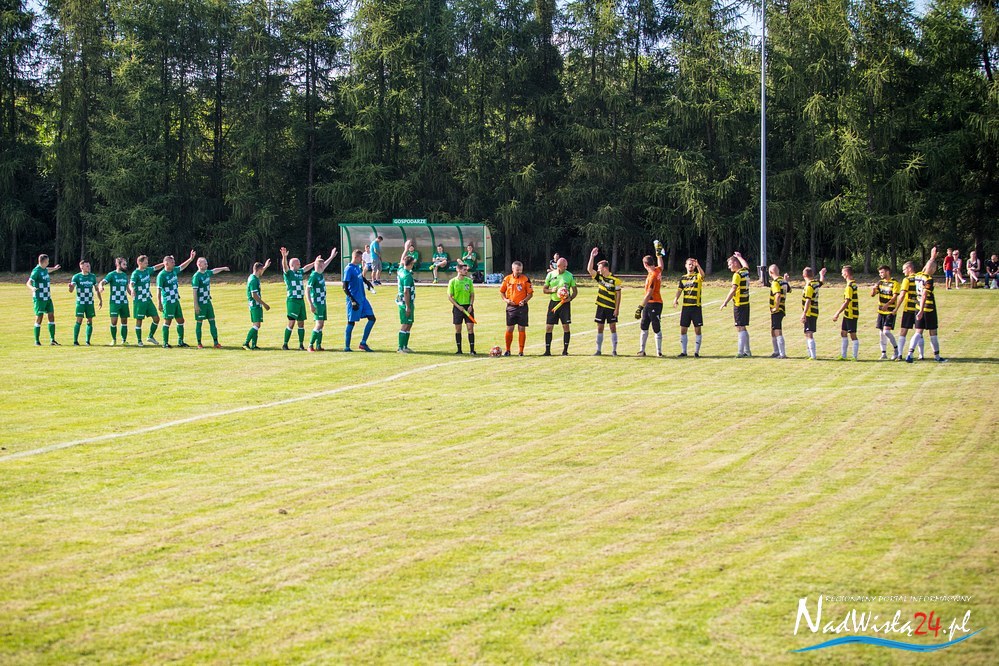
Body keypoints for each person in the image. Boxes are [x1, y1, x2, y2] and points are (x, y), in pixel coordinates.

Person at [906, 247, 946, 363]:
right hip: (928, 308)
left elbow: (926, 268)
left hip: (917, 306)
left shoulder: (918, 275)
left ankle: (909, 354)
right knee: (933, 332)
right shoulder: (928, 279)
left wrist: (932, 257)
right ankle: (937, 356)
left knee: (918, 332)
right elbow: (924, 294)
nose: (935, 270)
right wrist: (922, 310)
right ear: (932, 269)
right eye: (935, 268)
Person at [156, 250, 197, 348]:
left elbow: (182, 266)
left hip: (175, 301)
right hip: (168, 301)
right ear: (166, 263)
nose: (174, 263)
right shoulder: (162, 275)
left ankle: (180, 342)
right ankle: (165, 343)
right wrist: (159, 303)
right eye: (172, 262)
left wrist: (190, 259)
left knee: (181, 321)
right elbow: (158, 290)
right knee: (168, 321)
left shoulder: (174, 270)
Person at [587, 247, 622, 356]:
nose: (598, 269)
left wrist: (617, 309)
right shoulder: (600, 278)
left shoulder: (615, 280)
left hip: (611, 307)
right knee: (600, 328)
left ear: (605, 268)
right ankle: (598, 350)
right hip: (601, 307)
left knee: (612, 327)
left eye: (599, 267)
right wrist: (592, 256)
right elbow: (589, 269)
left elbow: (618, 295)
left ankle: (614, 350)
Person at [191, 257, 231, 348]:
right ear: (199, 265)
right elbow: (194, 292)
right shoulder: (196, 276)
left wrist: (223, 268)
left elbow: (214, 270)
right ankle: (199, 343)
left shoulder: (206, 273)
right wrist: (196, 305)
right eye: (205, 263)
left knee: (212, 321)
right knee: (199, 323)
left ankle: (216, 343)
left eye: (206, 263)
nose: (207, 265)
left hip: (208, 302)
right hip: (200, 303)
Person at [343, 248, 376, 351]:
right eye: (360, 257)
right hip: (354, 299)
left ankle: (363, 343)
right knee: (351, 322)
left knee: (372, 318)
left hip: (363, 299)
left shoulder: (357, 267)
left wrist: (367, 282)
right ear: (356, 257)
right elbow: (344, 287)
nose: (362, 259)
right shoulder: (348, 269)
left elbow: (360, 277)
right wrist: (352, 300)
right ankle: (347, 347)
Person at [280, 246, 313, 351]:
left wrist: (314, 263)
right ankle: (285, 344)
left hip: (300, 300)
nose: (300, 265)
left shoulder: (299, 272)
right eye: (298, 263)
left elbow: (306, 268)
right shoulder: (289, 273)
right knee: (291, 322)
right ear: (293, 265)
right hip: (292, 300)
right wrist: (284, 257)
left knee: (301, 323)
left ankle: (301, 345)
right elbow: (285, 266)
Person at [543, 257, 577, 355]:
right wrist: (551, 290)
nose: (566, 268)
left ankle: (565, 350)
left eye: (566, 266)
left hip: (564, 304)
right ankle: (547, 351)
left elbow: (575, 291)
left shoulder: (569, 275)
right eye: (564, 266)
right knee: (549, 327)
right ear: (558, 266)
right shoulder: (550, 275)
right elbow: (544, 290)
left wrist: (570, 298)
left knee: (566, 326)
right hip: (553, 303)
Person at [720, 251, 752, 357]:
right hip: (746, 302)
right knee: (743, 327)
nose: (729, 267)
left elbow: (733, 289)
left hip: (739, 304)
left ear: (735, 263)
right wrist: (740, 257)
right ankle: (747, 351)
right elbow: (746, 265)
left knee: (740, 327)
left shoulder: (737, 275)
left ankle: (740, 352)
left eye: (730, 265)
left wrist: (725, 302)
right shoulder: (745, 272)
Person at [636, 243, 665, 357]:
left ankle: (659, 351)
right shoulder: (657, 270)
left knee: (656, 326)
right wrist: (659, 255)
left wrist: (640, 307)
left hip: (655, 303)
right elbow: (661, 265)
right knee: (644, 325)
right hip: (649, 303)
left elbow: (649, 293)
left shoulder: (653, 275)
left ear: (645, 264)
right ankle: (642, 350)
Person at [305, 249, 338, 352]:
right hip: (317, 303)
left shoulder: (320, 273)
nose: (325, 266)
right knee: (318, 324)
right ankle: (310, 345)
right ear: (319, 266)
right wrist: (311, 304)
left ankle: (318, 345)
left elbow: (325, 264)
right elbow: (307, 290)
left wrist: (331, 257)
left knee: (322, 324)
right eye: (323, 265)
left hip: (323, 303)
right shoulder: (314, 276)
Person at [673, 257, 705, 357]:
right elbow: (679, 290)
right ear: (686, 265)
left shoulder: (697, 276)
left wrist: (698, 265)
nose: (691, 266)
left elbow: (703, 275)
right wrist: (676, 299)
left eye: (692, 264)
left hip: (696, 307)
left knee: (697, 329)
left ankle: (696, 352)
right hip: (686, 307)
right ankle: (684, 352)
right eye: (689, 264)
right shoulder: (683, 278)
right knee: (683, 329)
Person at [499, 261, 533, 356]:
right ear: (513, 269)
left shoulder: (525, 279)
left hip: (522, 307)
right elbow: (502, 292)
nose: (519, 272)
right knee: (510, 328)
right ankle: (508, 350)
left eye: (520, 270)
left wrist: (524, 301)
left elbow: (530, 293)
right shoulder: (507, 279)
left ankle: (521, 351)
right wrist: (506, 300)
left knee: (521, 328)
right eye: (517, 270)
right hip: (511, 307)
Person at [27, 254, 62, 345]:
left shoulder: (44, 269)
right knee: (39, 317)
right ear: (44, 261)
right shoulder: (36, 271)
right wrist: (32, 288)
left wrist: (54, 268)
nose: (48, 262)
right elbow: (28, 282)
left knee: (51, 316)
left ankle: (52, 340)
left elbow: (47, 270)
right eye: (48, 261)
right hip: (39, 298)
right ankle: (37, 341)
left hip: (48, 297)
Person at [131, 255, 165, 346]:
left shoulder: (147, 270)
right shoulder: (135, 273)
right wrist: (132, 289)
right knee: (139, 320)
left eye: (147, 262)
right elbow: (131, 283)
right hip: (139, 300)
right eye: (145, 262)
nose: (147, 264)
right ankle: (139, 341)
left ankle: (150, 336)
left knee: (156, 318)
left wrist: (164, 263)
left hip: (148, 299)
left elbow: (155, 267)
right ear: (139, 262)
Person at [98, 257, 132, 346]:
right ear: (118, 264)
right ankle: (114, 340)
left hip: (124, 302)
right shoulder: (112, 274)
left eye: (126, 264)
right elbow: (102, 282)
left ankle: (124, 340)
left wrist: (133, 294)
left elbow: (128, 289)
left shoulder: (124, 275)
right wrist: (101, 286)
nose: (126, 266)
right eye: (124, 264)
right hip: (114, 302)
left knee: (124, 321)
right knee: (114, 321)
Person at [870, 265, 900, 360]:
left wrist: (887, 304)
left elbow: (895, 297)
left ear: (887, 272)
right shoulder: (880, 282)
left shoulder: (894, 283)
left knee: (886, 331)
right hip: (881, 311)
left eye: (882, 272)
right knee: (881, 333)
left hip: (890, 311)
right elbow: (872, 295)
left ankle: (896, 350)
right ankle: (883, 353)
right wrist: (873, 289)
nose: (880, 274)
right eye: (879, 273)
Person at [69, 260, 102, 346]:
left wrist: (100, 300)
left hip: (90, 303)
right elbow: (71, 290)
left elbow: (96, 289)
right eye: (87, 266)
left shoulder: (92, 276)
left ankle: (87, 341)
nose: (89, 267)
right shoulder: (76, 277)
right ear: (82, 267)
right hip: (80, 303)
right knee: (79, 320)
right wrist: (70, 287)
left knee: (89, 321)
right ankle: (75, 341)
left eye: (89, 266)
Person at [832, 265, 860, 360]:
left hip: (851, 313)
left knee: (852, 334)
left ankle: (854, 356)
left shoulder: (849, 286)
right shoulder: (853, 283)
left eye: (843, 273)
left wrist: (837, 313)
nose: (842, 274)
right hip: (848, 313)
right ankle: (843, 355)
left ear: (847, 273)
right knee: (843, 332)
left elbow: (847, 301)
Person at [243, 259, 272, 350]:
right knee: (257, 325)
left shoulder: (254, 277)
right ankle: (246, 343)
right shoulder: (253, 280)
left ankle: (254, 345)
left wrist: (266, 266)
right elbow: (254, 295)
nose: (262, 271)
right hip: (255, 305)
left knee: (256, 325)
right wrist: (264, 304)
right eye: (262, 270)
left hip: (255, 305)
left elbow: (261, 270)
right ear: (259, 270)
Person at [893, 260, 919, 361]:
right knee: (919, 331)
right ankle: (921, 355)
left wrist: (896, 308)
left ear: (909, 268)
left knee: (903, 331)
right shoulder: (920, 278)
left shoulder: (907, 280)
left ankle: (899, 354)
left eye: (904, 269)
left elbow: (902, 295)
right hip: (918, 308)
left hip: (909, 308)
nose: (903, 271)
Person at [799, 266, 827, 360]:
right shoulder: (815, 283)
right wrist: (821, 275)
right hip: (815, 310)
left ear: (804, 275)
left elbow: (808, 300)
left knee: (809, 332)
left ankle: (813, 355)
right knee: (807, 332)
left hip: (810, 312)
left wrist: (804, 313)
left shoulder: (809, 286)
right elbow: (821, 282)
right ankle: (810, 354)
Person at [448, 262, 476, 354]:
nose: (466, 271)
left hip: (468, 307)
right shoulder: (453, 282)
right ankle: (459, 350)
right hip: (458, 308)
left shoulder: (469, 281)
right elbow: (450, 297)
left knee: (470, 328)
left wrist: (471, 305)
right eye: (464, 270)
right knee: (458, 329)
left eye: (466, 270)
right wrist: (458, 307)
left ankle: (472, 350)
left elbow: (472, 295)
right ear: (458, 270)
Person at [767, 264, 790, 359]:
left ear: (770, 272)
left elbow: (778, 295)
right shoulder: (783, 281)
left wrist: (776, 307)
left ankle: (782, 353)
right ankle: (776, 351)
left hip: (777, 309)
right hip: (782, 308)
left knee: (777, 330)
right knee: (773, 330)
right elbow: (789, 290)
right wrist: (786, 280)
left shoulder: (775, 282)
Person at [396, 255, 417, 352]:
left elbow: (401, 261)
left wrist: (406, 249)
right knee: (405, 324)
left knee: (409, 323)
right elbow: (406, 292)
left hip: (406, 301)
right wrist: (408, 307)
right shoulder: (407, 276)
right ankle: (400, 347)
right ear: (411, 264)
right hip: (405, 303)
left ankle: (405, 346)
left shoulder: (401, 270)